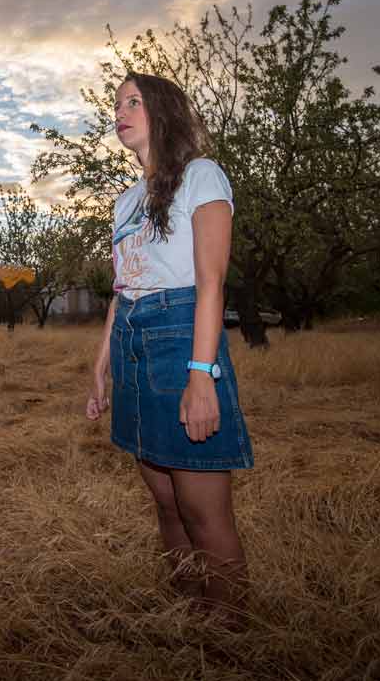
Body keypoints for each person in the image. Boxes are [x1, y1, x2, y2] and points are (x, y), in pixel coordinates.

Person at [86, 72, 254, 615]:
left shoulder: (202, 176)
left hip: (180, 337)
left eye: (133, 102)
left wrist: (200, 375)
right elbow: (123, 286)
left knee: (204, 514)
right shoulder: (125, 202)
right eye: (117, 105)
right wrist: (102, 362)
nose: (121, 111)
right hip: (134, 343)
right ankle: (189, 616)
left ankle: (231, 636)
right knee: (165, 505)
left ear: (163, 111)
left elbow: (210, 283)